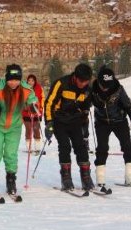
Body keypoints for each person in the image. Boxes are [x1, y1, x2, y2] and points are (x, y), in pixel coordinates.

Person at [0, 65, 38, 197]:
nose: (13, 82)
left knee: (11, 154)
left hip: (14, 127)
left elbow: (33, 100)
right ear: (6, 78)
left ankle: (11, 180)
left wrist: (33, 106)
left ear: (20, 79)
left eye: (16, 80)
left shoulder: (26, 89)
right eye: (10, 79)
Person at [44, 63, 94, 191]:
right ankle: (66, 177)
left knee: (81, 147)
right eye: (81, 81)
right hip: (59, 120)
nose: (83, 84)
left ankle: (86, 176)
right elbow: (49, 103)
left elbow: (86, 105)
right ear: (75, 77)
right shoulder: (61, 83)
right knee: (65, 146)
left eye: (86, 81)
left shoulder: (87, 89)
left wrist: (85, 115)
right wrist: (49, 122)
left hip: (75, 121)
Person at [91, 66, 131, 188]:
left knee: (127, 147)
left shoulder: (118, 89)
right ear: (98, 81)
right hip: (102, 122)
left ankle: (130, 176)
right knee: (102, 148)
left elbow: (129, 106)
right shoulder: (92, 90)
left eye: (107, 85)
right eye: (103, 85)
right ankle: (100, 177)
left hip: (120, 121)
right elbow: (85, 103)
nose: (105, 87)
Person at [21, 74, 44, 153]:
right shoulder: (24, 88)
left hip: (36, 112)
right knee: (28, 129)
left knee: (36, 129)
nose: (30, 82)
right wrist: (25, 107)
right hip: (26, 113)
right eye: (29, 80)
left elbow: (42, 99)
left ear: (35, 81)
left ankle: (37, 148)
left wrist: (40, 108)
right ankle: (29, 148)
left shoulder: (39, 88)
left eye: (32, 80)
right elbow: (22, 100)